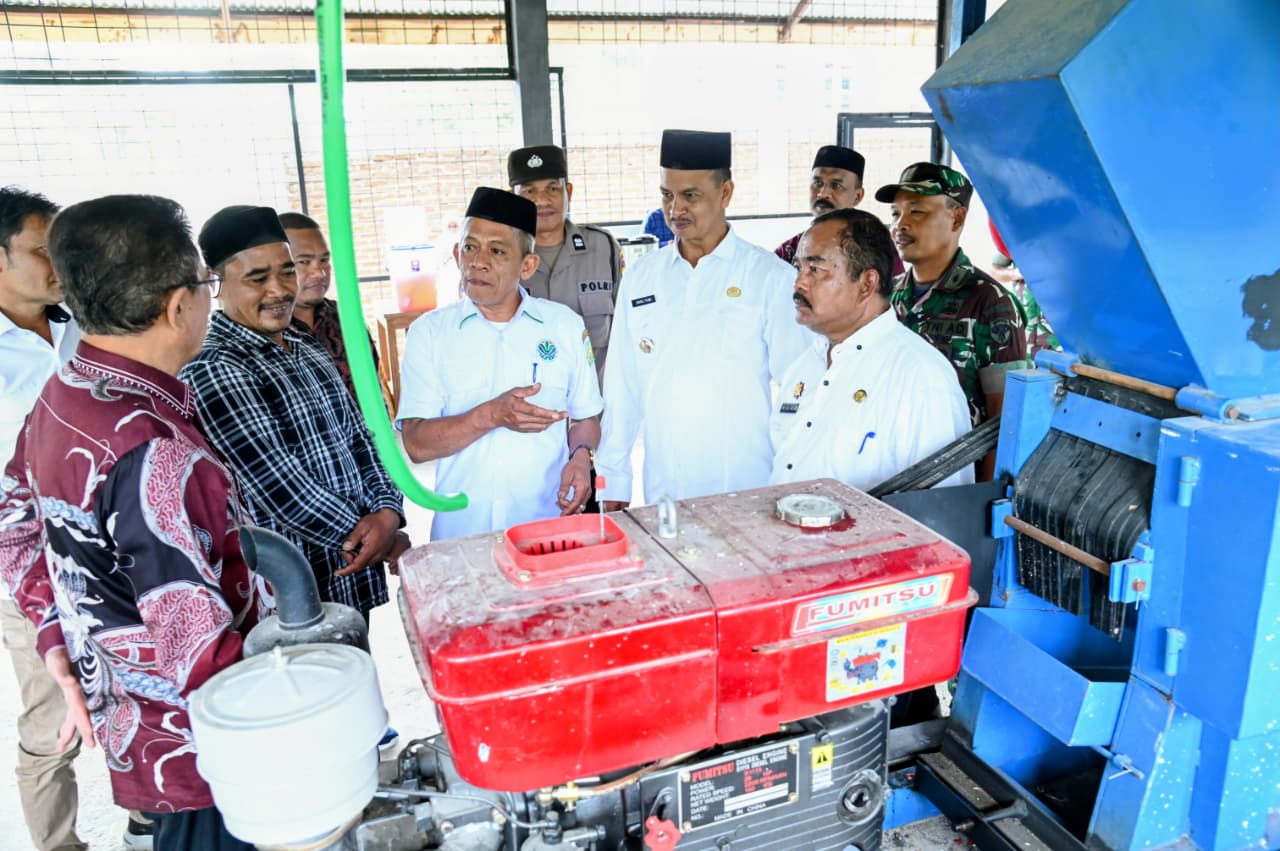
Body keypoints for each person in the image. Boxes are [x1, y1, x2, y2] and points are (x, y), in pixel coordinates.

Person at [0, 193, 262, 850]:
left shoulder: (67, 389)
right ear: (179, 306)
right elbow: (199, 654)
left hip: (139, 738)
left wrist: (56, 636)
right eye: (205, 284)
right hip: (204, 755)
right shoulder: (152, 450)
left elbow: (12, 517)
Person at [181, 206, 404, 625]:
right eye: (257, 278)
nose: (279, 289)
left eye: (287, 272)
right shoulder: (215, 366)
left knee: (355, 656)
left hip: (350, 570)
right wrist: (374, 537)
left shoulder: (306, 348)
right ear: (216, 281)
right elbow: (280, 488)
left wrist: (388, 512)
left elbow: (362, 439)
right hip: (293, 592)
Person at [596, 129, 812, 509]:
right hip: (665, 489)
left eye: (690, 196)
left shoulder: (768, 277)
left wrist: (794, 480)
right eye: (667, 195)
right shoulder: (642, 278)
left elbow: (800, 386)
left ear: (725, 193)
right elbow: (622, 387)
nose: (675, 209)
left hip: (746, 487)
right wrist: (614, 481)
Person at [397, 188, 602, 541]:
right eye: (470, 247)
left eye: (496, 250)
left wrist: (582, 457)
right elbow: (417, 444)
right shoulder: (429, 334)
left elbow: (585, 418)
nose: (478, 261)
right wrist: (492, 415)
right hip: (462, 535)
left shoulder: (564, 326)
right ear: (456, 253)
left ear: (527, 265)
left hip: (545, 527)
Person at [0, 187, 101, 851]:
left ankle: (149, 819)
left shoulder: (83, 326)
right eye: (43, 250)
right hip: (28, 564)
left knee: (132, 689)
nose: (60, 263)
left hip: (107, 547)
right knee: (53, 716)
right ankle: (58, 843)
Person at [770, 208, 972, 491]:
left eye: (815, 270)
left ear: (867, 284)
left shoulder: (921, 379)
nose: (799, 282)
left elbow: (942, 506)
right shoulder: (804, 366)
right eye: (799, 268)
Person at [877, 162, 1053, 427]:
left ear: (957, 218)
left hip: (957, 453)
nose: (900, 225)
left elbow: (1003, 418)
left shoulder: (990, 303)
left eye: (917, 212)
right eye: (895, 214)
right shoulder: (885, 296)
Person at [508, 145, 622, 383]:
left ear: (568, 192)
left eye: (552, 188)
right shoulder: (503, 257)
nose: (542, 200)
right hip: (528, 399)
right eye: (529, 191)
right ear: (513, 198)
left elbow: (625, 328)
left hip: (596, 398)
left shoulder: (603, 247)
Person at [279, 211, 382, 402]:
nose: (319, 273)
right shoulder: (267, 333)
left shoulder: (347, 320)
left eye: (324, 260)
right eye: (304, 262)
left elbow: (373, 392)